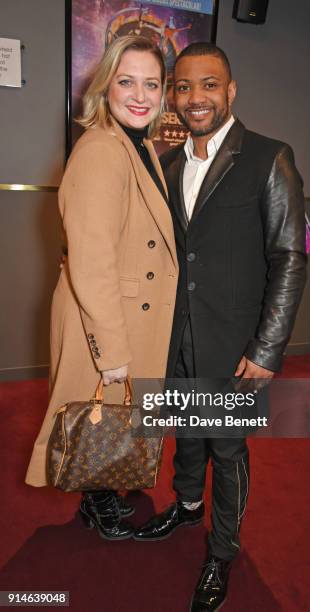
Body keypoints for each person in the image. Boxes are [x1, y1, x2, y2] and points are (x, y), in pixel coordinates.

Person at [133, 42, 307, 610]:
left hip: (238, 347)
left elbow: (290, 257)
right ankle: (185, 508)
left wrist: (268, 348)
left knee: (227, 450)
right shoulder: (169, 160)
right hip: (177, 337)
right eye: (182, 87)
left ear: (230, 92)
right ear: (172, 97)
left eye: (209, 85)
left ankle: (224, 551)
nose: (195, 98)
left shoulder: (269, 157)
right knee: (186, 430)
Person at [25, 36, 178, 541]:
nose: (140, 94)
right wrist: (111, 349)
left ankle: (106, 487)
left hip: (127, 309)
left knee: (115, 414)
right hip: (108, 317)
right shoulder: (100, 150)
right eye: (126, 81)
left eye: (151, 84)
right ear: (105, 85)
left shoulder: (136, 144)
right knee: (98, 415)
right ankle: (97, 500)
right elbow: (91, 262)